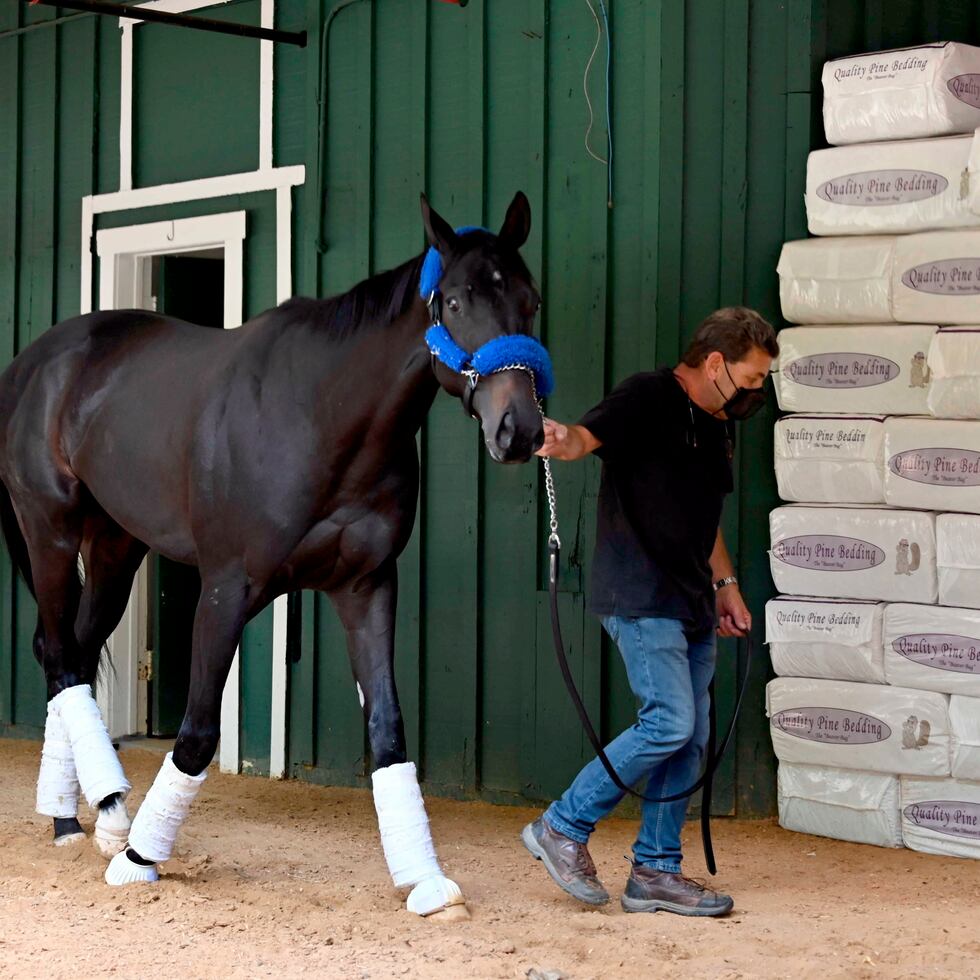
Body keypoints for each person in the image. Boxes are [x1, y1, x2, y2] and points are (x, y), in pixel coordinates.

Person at [522, 306, 778, 917]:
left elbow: (705, 516)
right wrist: (562, 441)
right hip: (638, 591)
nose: (756, 394)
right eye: (751, 380)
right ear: (715, 363)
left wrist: (727, 584)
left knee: (689, 739)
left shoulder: (719, 424)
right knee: (669, 721)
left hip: (691, 597)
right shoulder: (647, 396)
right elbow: (586, 438)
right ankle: (562, 824)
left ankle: (656, 872)